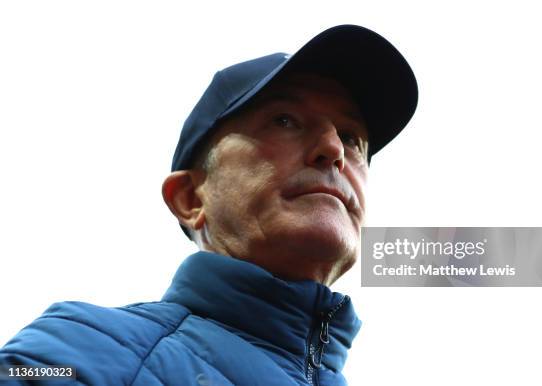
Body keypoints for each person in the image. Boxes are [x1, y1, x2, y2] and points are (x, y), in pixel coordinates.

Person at [0, 24, 417, 385]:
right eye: (284, 120)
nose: (333, 149)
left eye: (351, 138)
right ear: (190, 198)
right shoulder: (75, 351)